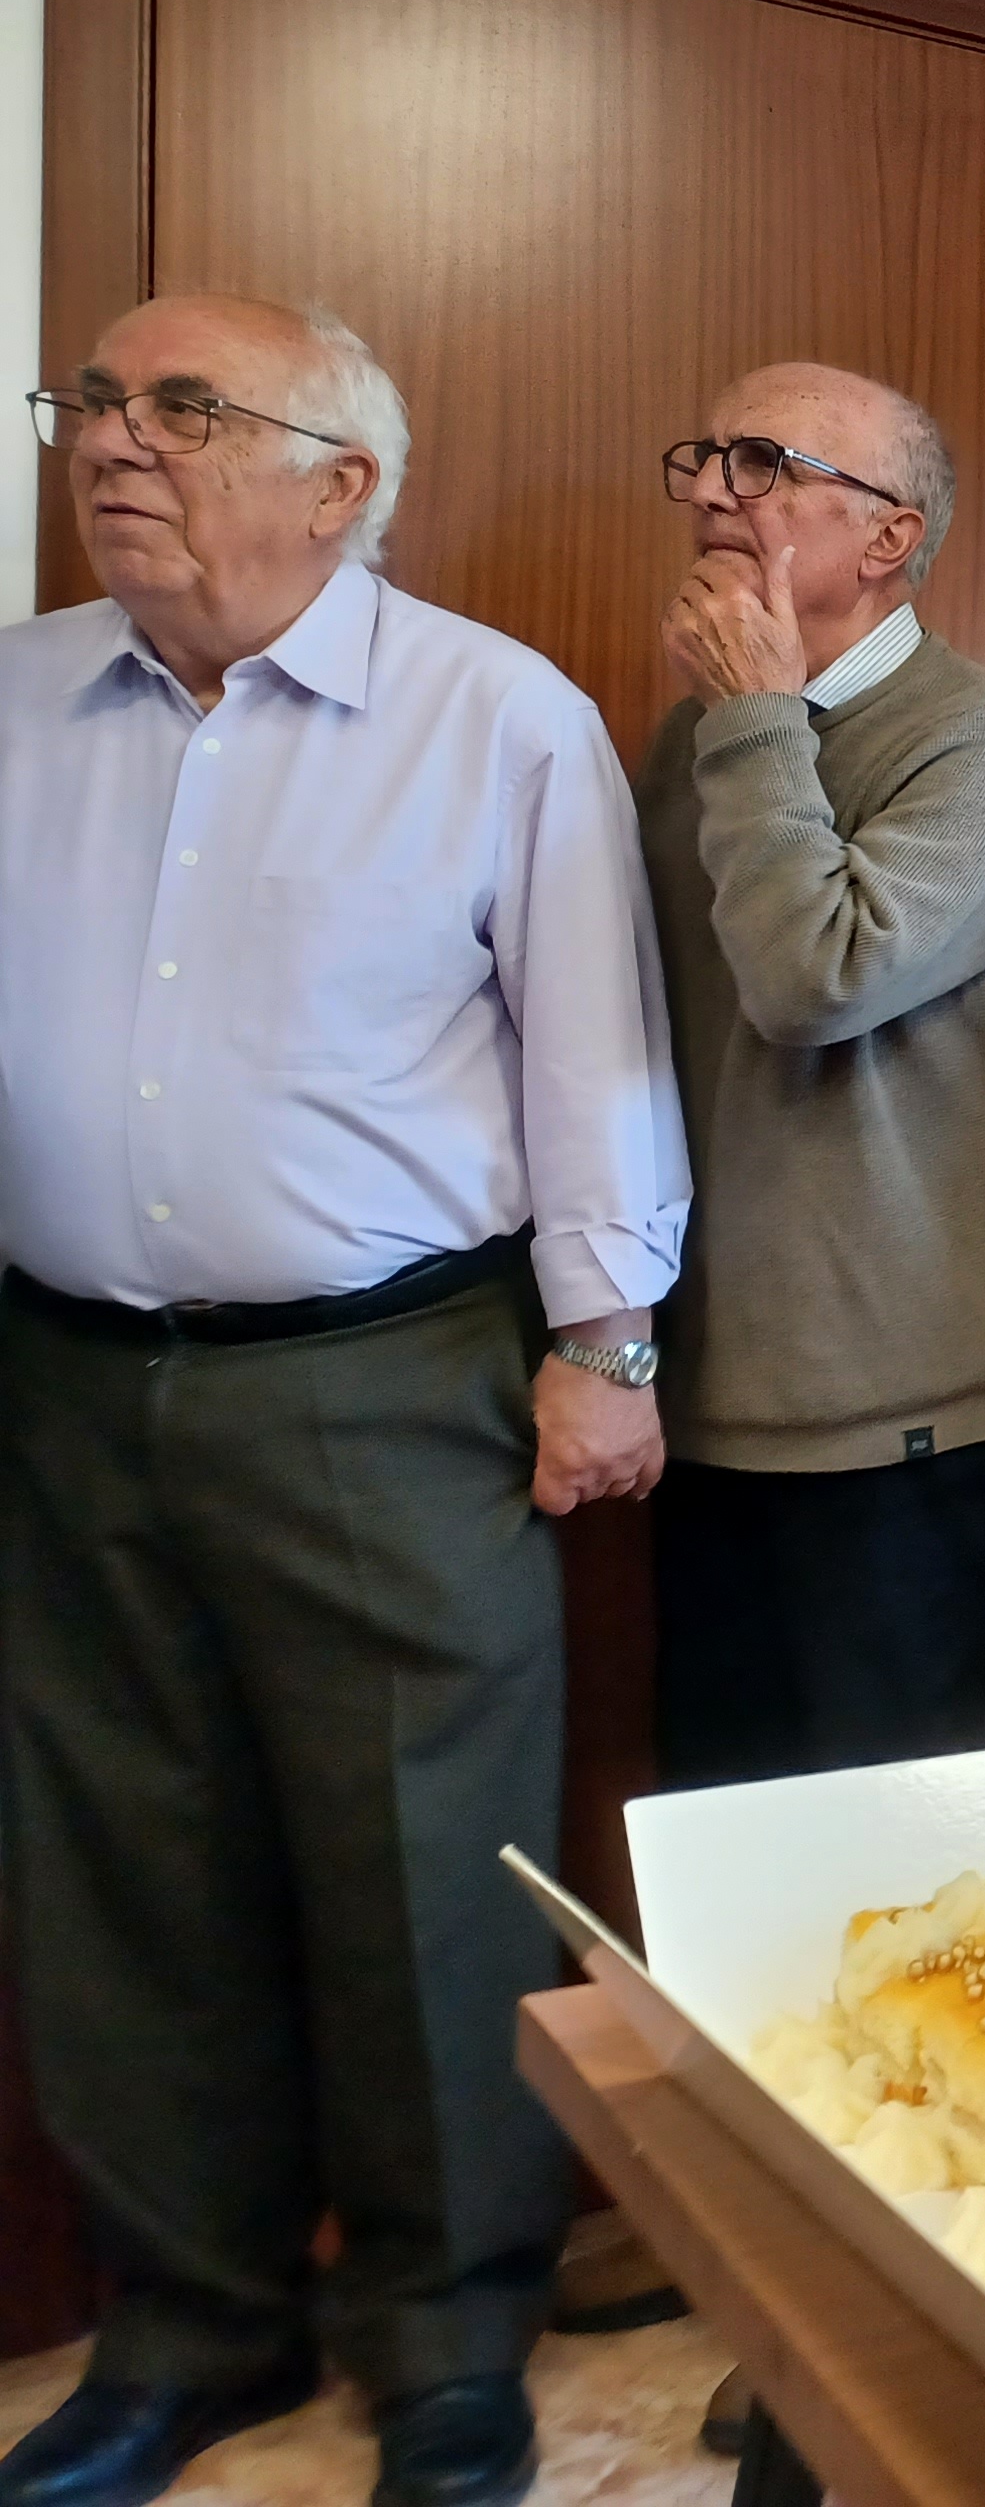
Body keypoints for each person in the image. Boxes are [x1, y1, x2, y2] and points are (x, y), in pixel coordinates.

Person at [0, 299, 687, 2507]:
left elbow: (595, 1052)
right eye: (93, 399)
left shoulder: (493, 719)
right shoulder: (16, 704)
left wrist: (605, 1342)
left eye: (185, 409)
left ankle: (450, 2348)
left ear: (342, 481)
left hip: (388, 1383)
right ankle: (182, 2333)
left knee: (422, 1878)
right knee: (123, 1877)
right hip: (69, 1379)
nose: (118, 442)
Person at [637, 362, 985, 1786]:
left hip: (899, 1425)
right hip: (692, 1398)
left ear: (889, 535)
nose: (711, 488)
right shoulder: (698, 734)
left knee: (895, 1892)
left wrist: (757, 717)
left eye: (760, 462)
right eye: (705, 455)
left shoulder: (984, 741)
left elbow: (814, 979)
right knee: (714, 1863)